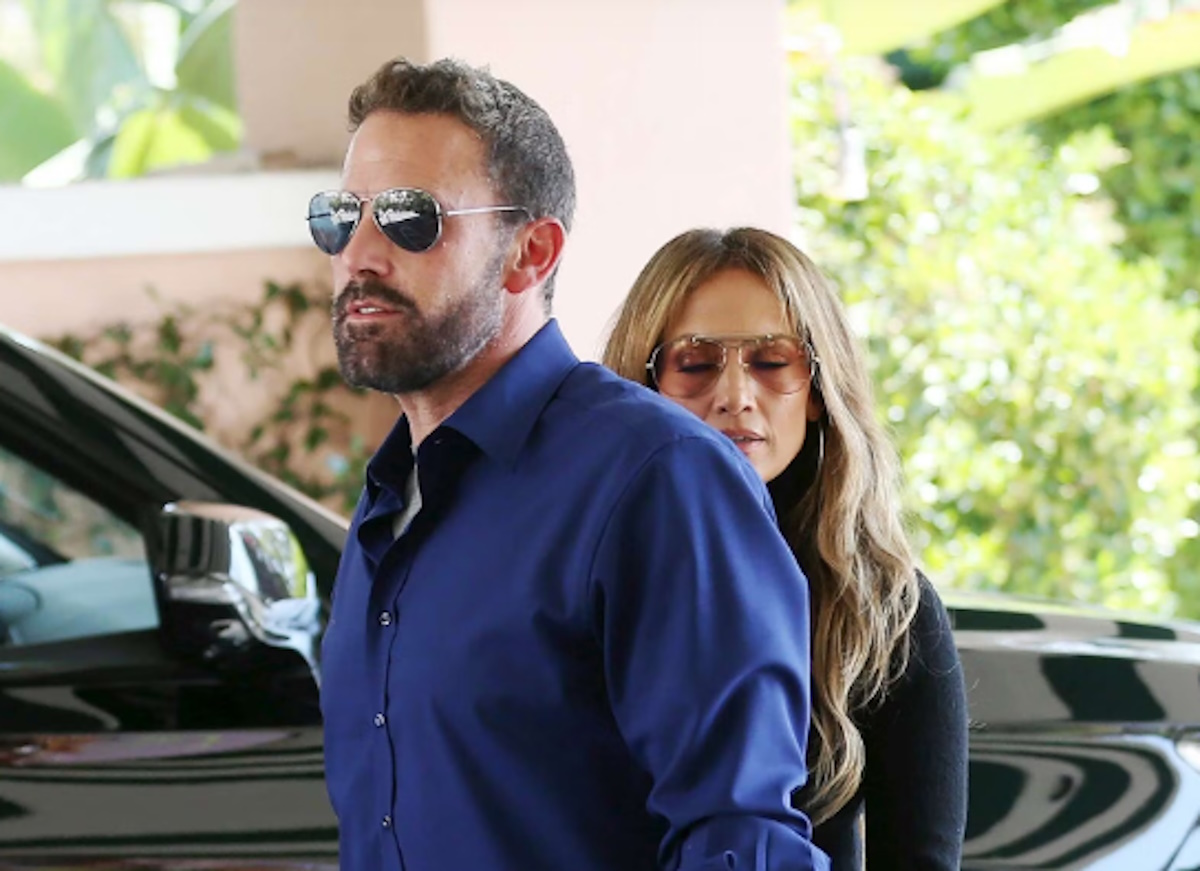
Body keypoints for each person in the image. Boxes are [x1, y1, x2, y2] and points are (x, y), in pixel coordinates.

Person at [313, 58, 830, 871]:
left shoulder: (658, 477)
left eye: (411, 217)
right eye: (341, 216)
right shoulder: (391, 499)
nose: (361, 254)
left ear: (531, 253)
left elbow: (739, 838)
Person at [603, 227, 968, 870]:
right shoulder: (572, 573)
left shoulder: (885, 610)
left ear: (819, 390)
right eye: (695, 363)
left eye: (773, 362)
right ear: (643, 384)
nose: (735, 396)